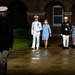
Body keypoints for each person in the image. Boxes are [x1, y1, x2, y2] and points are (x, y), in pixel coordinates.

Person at [0, 6, 14, 75]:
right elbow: (11, 34)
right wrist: (11, 44)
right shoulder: (8, 22)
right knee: (4, 60)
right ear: (5, 13)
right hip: (5, 42)